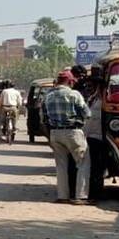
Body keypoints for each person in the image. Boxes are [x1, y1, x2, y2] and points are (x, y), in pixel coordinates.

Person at [43, 70, 90, 204]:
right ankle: (80, 197)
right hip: (73, 132)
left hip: (55, 133)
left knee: (61, 166)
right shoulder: (74, 94)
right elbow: (87, 113)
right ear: (70, 82)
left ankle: (62, 196)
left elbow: (43, 117)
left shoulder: (48, 95)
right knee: (83, 163)